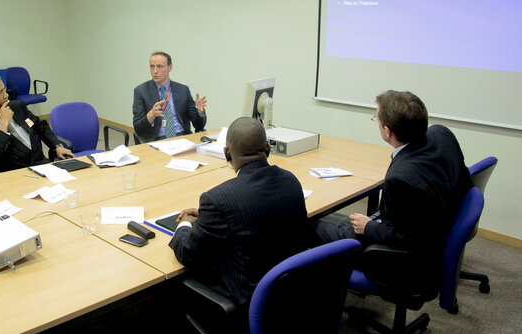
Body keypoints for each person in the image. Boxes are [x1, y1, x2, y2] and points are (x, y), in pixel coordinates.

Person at [313, 90, 472, 279]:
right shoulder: (442, 134)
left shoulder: (401, 177)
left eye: (377, 120)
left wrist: (369, 227)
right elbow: (463, 181)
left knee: (310, 226)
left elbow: (405, 238)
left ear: (387, 131)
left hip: (408, 257)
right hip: (439, 224)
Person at [169, 117, 309, 309]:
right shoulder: (291, 181)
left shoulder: (217, 199)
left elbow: (187, 254)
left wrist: (184, 224)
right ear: (267, 149)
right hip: (293, 296)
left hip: (249, 307)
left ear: (227, 154)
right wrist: (208, 220)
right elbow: (256, 217)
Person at [0, 71, 73, 173]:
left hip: (42, 166)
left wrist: (57, 146)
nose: (6, 95)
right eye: (1, 92)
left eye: (5, 90)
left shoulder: (17, 107)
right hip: (16, 174)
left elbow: (37, 125)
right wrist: (3, 126)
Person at [132, 51, 207, 143]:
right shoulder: (141, 91)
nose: (155, 71)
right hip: (157, 140)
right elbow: (138, 128)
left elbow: (198, 125)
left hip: (182, 137)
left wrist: (200, 112)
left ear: (170, 68)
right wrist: (151, 115)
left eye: (160, 66)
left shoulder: (183, 90)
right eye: (152, 66)